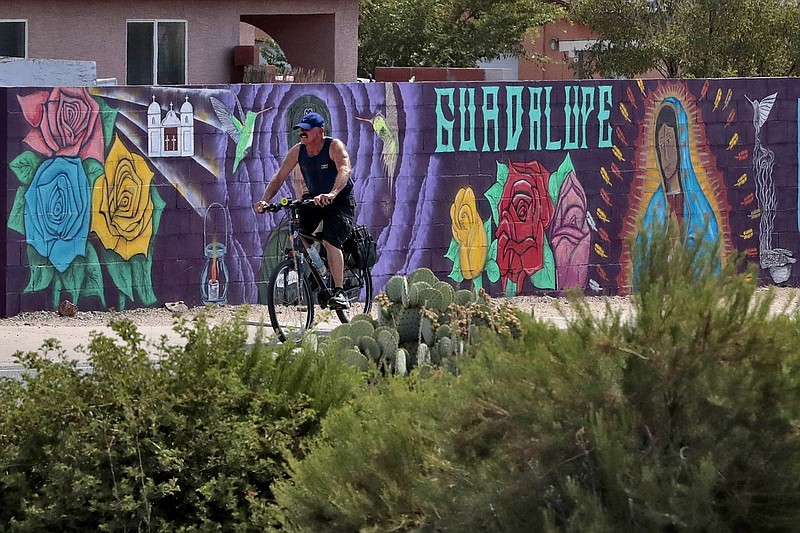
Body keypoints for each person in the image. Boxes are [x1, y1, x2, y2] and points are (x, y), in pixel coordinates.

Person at [254, 112, 356, 309]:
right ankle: (319, 267)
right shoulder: (298, 151)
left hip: (339, 200)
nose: (302, 132)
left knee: (329, 240)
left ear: (320, 131)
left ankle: (339, 291)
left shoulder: (334, 146)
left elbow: (345, 169)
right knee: (297, 228)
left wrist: (333, 193)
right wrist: (265, 201)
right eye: (301, 129)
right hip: (315, 199)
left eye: (307, 129)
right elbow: (279, 178)